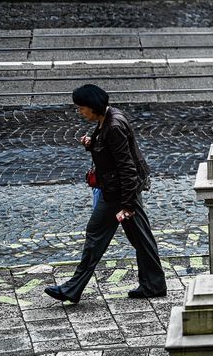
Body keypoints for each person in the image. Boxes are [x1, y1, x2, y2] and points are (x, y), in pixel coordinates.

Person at [45, 84, 166, 304]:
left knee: (95, 233)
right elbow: (112, 153)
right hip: (121, 190)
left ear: (93, 107)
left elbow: (127, 167)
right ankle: (153, 284)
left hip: (118, 193)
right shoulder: (107, 119)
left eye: (82, 108)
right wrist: (92, 145)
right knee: (141, 238)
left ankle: (72, 289)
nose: (80, 113)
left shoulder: (114, 125)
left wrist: (127, 206)